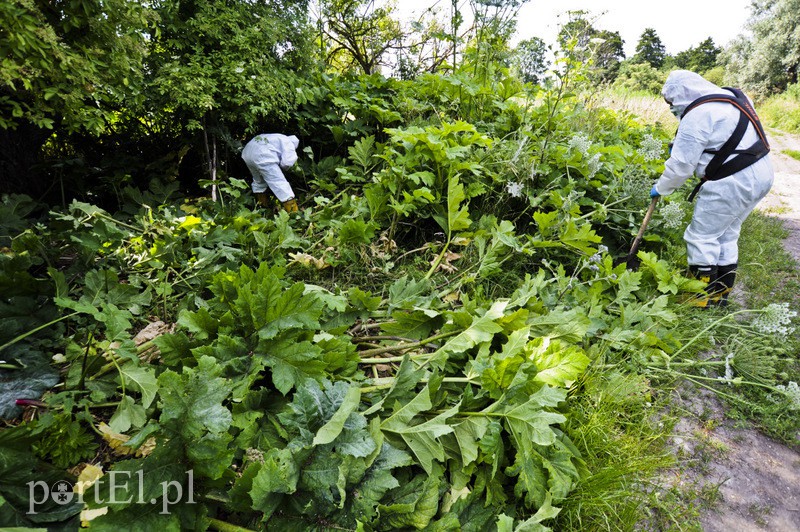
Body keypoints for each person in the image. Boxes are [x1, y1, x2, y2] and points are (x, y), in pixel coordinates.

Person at [650, 70, 774, 307]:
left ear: (682, 94)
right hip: (761, 173)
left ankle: (699, 300)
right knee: (726, 234)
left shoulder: (697, 114)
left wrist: (661, 187)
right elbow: (723, 139)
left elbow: (681, 167)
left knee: (701, 237)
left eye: (671, 102)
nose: (671, 108)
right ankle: (719, 296)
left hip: (733, 181)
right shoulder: (733, 100)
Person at [241, 133, 300, 213]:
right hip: (263, 155)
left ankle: (262, 209)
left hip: (247, 153)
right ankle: (294, 213)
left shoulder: (276, 137)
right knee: (279, 183)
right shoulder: (288, 143)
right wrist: (282, 170)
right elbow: (287, 163)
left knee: (259, 182)